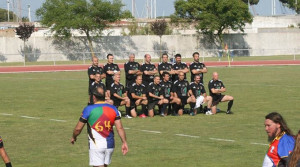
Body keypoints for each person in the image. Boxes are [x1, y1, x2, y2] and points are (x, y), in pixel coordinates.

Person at [71, 87, 128, 167]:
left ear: (93, 97)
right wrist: (124, 142)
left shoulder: (89, 109)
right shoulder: (113, 108)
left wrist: (74, 137)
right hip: (110, 145)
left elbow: (78, 128)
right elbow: (120, 128)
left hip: (97, 145)